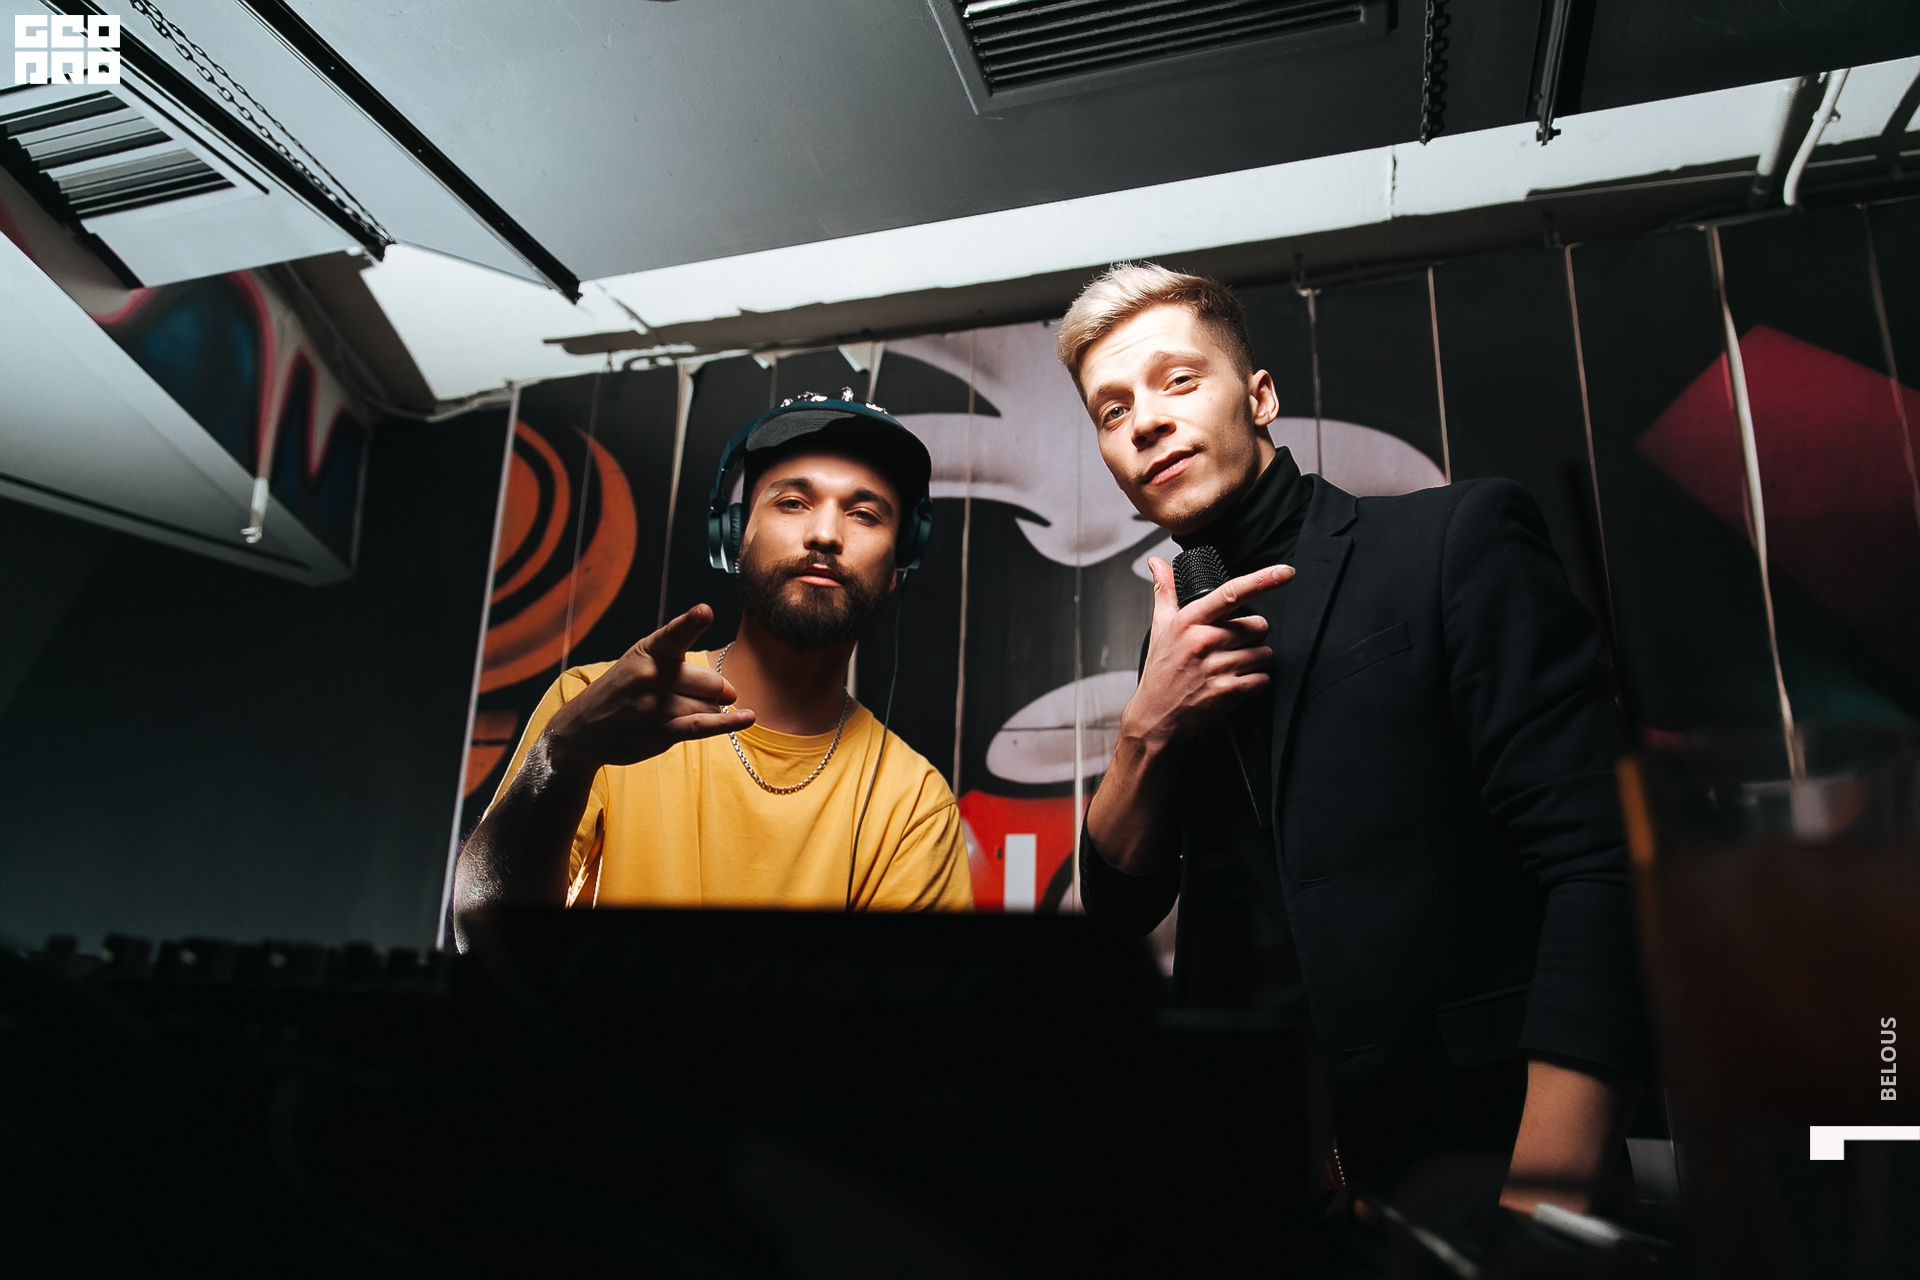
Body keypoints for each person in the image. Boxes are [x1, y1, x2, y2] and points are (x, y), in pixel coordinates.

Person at [1063, 264, 1647, 1213]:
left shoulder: (1451, 541)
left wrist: (1539, 1215)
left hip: (1478, 1167)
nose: (1145, 423)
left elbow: (1604, 868)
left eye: (1179, 380)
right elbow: (1121, 904)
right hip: (1265, 1188)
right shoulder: (1172, 643)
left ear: (1260, 398)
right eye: (1112, 409)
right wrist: (1145, 727)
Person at [453, 395, 972, 947]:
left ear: (898, 564)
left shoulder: (914, 803)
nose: (825, 533)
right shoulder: (598, 705)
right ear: (734, 539)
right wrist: (559, 759)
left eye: (864, 514)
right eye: (792, 502)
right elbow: (483, 938)